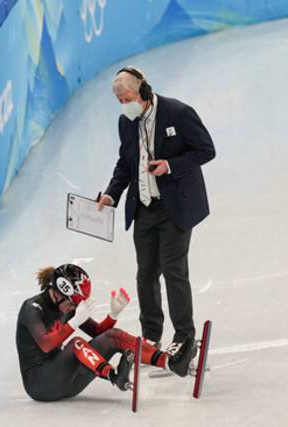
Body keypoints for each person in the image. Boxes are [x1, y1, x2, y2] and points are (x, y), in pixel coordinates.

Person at [96, 66, 215, 355]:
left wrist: (170, 166)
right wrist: (112, 194)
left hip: (175, 206)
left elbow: (206, 150)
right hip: (144, 207)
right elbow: (125, 163)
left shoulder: (178, 113)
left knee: (174, 271)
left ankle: (184, 337)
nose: (125, 106)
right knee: (146, 273)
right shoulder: (126, 122)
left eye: (128, 99)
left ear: (144, 93)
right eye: (120, 102)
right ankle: (151, 336)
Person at [15, 264, 196, 402]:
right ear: (57, 292)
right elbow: (46, 345)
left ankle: (170, 362)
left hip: (67, 383)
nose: (72, 308)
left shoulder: (67, 306)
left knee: (114, 335)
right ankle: (114, 376)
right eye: (72, 304)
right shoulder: (32, 309)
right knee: (76, 342)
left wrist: (113, 314)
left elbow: (99, 333)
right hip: (40, 385)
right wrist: (75, 321)